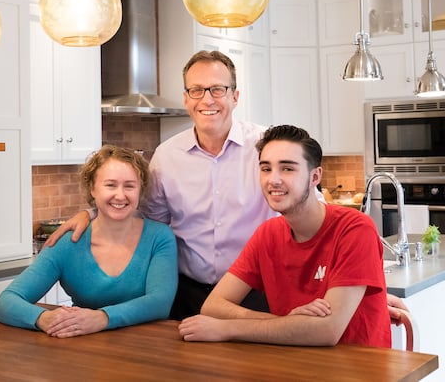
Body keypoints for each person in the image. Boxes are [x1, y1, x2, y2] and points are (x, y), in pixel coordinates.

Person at [47, 50, 408, 324]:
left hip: (262, 293)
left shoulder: (267, 148)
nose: (208, 99)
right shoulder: (166, 157)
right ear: (186, 97)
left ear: (235, 96)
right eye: (197, 90)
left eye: (218, 89)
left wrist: (361, 291)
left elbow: (315, 219)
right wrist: (91, 212)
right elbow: (142, 221)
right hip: (185, 293)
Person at [178, 125, 391, 347]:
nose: (274, 180)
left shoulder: (355, 228)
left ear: (314, 176)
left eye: (287, 169)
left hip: (359, 370)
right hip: (293, 363)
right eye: (266, 169)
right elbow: (213, 306)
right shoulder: (268, 234)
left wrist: (227, 328)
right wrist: (286, 323)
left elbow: (327, 330)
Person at [0, 145, 177, 337]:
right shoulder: (68, 243)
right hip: (83, 349)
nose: (120, 195)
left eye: (129, 186)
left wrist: (102, 317)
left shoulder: (159, 237)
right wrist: (43, 318)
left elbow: (160, 303)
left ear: (140, 191)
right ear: (92, 189)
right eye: (110, 185)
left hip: (147, 349)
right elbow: (6, 301)